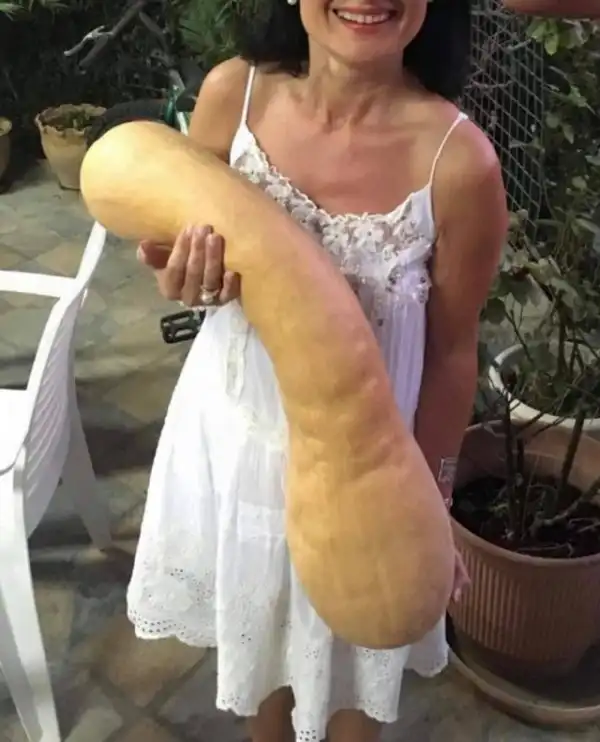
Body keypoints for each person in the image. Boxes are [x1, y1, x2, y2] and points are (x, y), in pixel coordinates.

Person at [127, 1, 507, 741]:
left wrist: (432, 496)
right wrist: (180, 276)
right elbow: (176, 253)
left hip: (368, 476)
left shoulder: (461, 164)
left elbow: (452, 352)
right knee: (262, 679)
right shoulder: (231, 95)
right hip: (240, 443)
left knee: (357, 686)